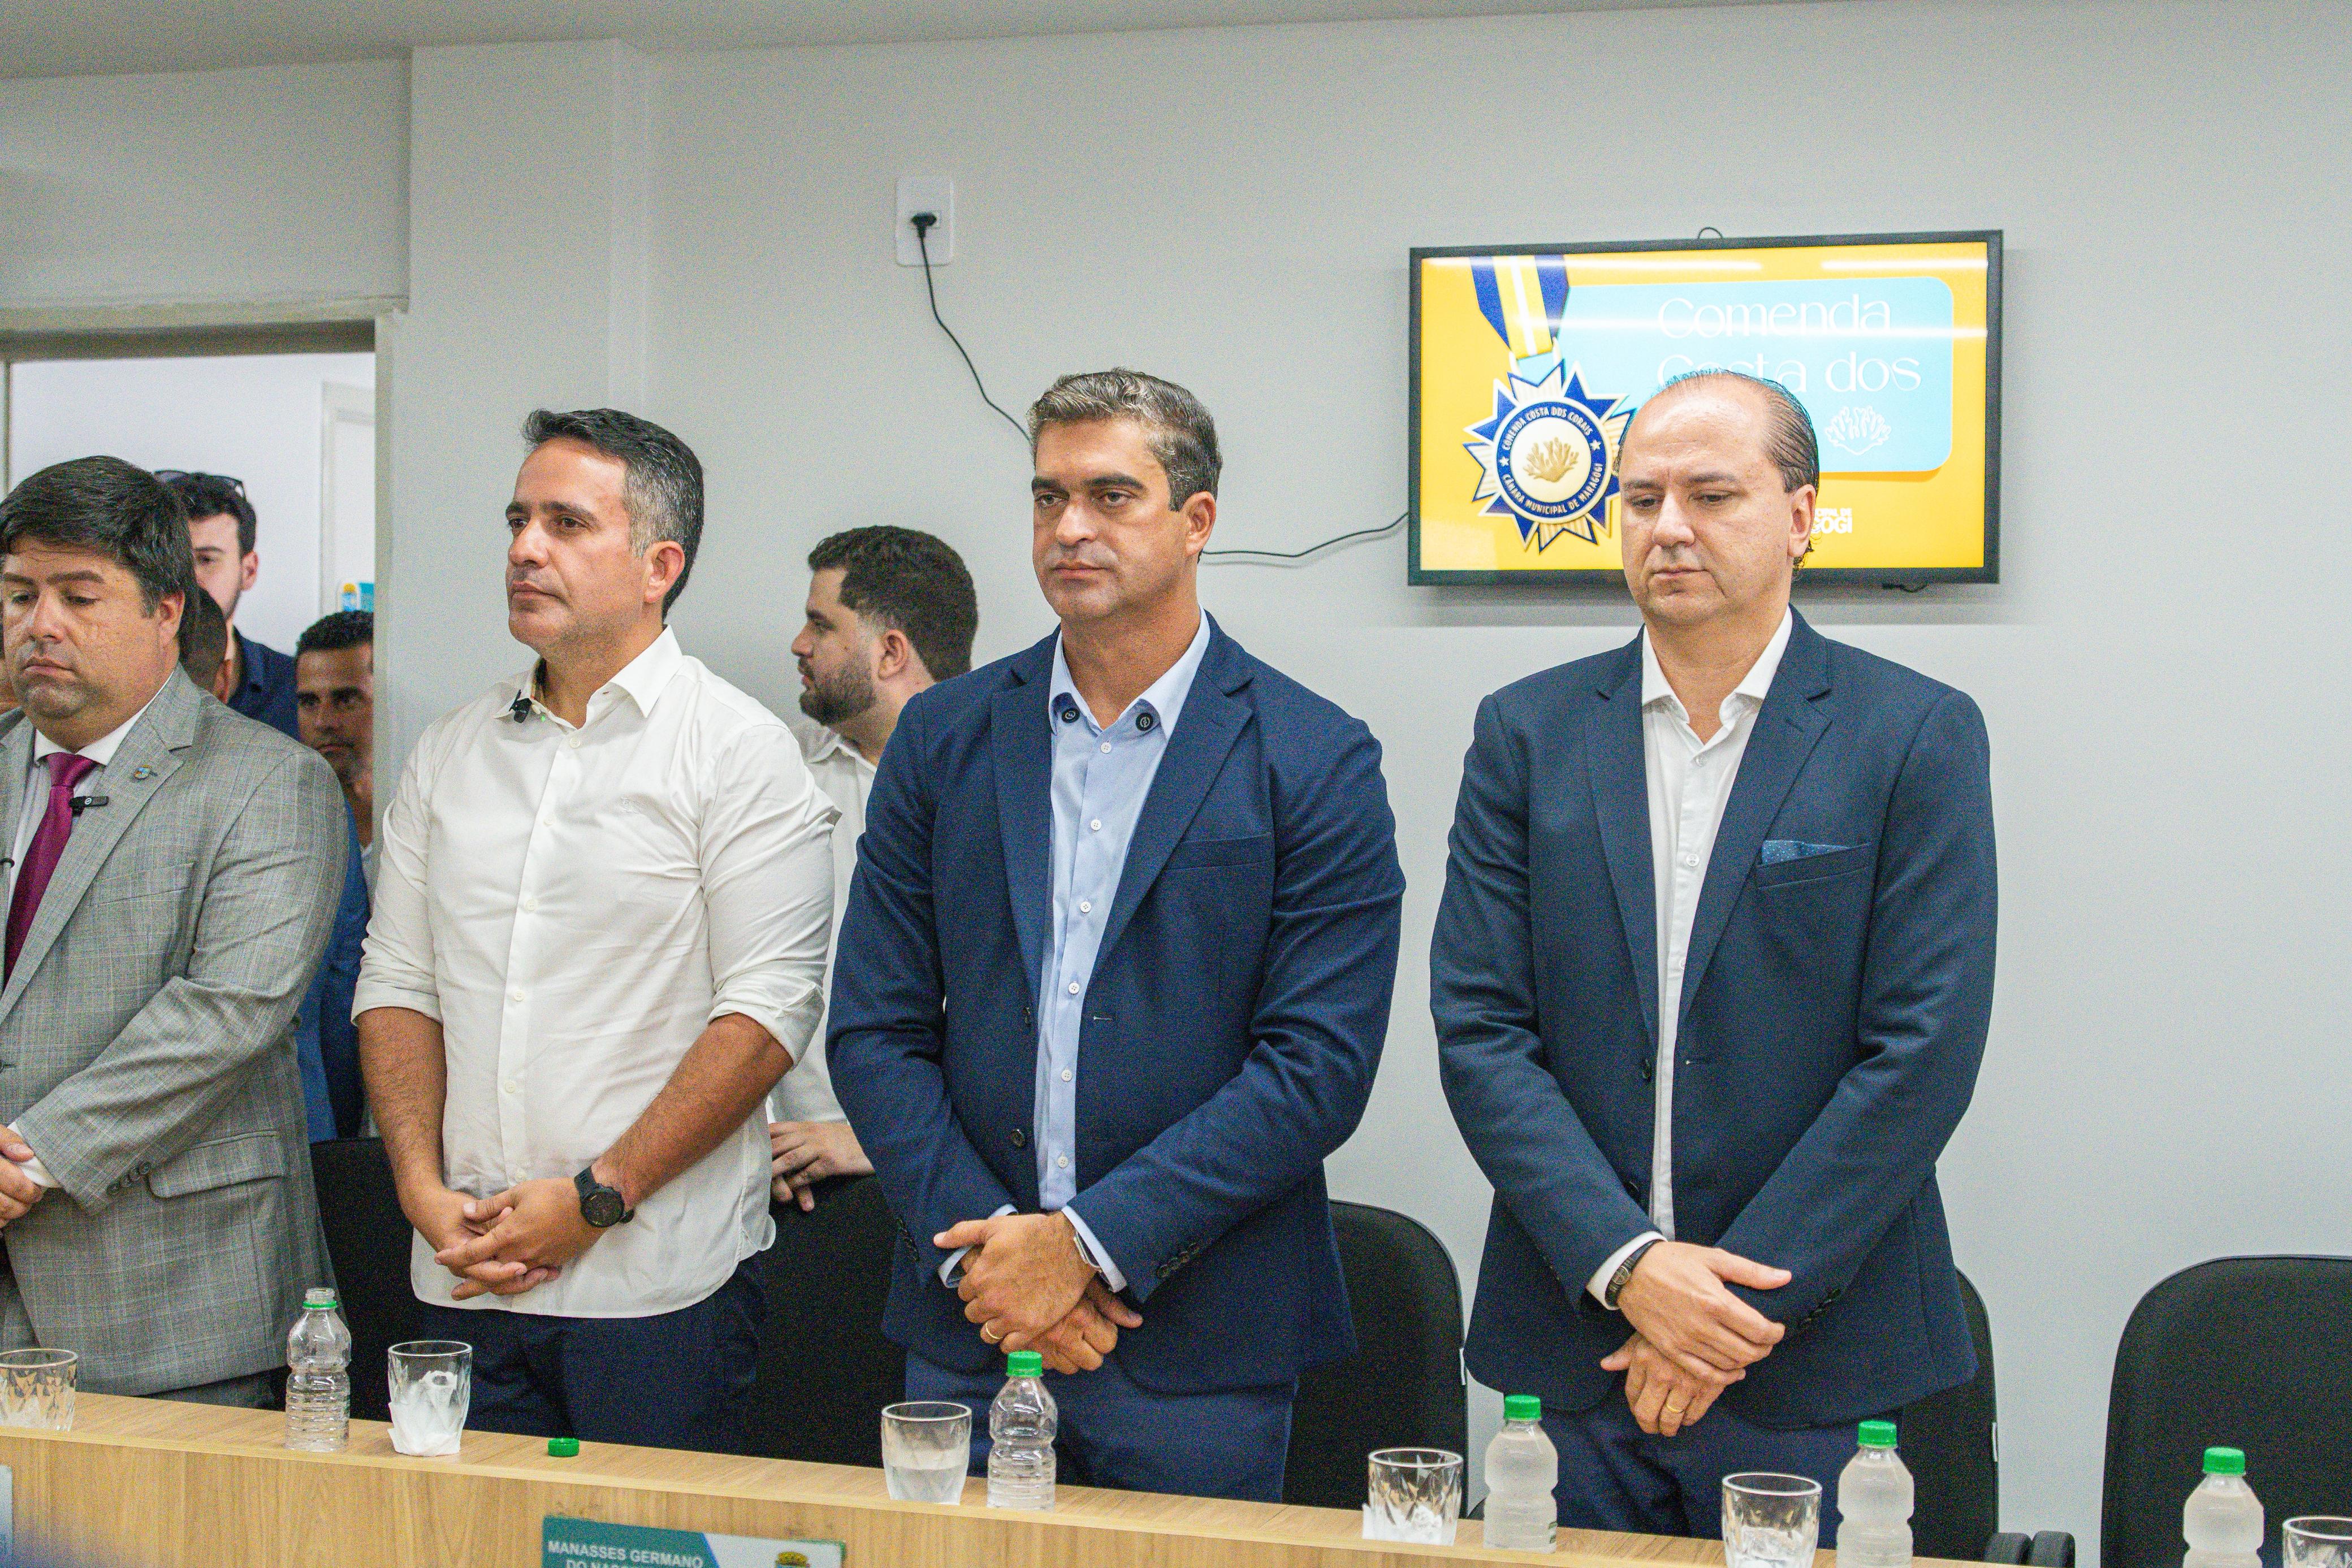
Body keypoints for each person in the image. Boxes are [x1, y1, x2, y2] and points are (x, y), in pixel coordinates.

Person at [1430, 369, 1997, 1538]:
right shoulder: (1526, 732)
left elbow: (1921, 1051)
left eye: (1711, 494)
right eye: (1641, 499)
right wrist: (1631, 1266)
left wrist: (1717, 1310)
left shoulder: (1913, 732)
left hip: (1809, 1357)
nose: (1669, 526)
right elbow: (1481, 1029)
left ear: (1800, 514)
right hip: (1577, 1343)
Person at [829, 370, 1404, 1502]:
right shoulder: (942, 737)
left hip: (1200, 1340)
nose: (1069, 528)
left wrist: (1084, 1244)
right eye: (1047, 497)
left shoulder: (1312, 754)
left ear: (1197, 520)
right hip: (974, 1316)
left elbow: (1316, 1067)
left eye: (1110, 495)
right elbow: (873, 1029)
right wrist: (997, 1252)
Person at [355, 408, 836, 1452]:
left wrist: (595, 1199)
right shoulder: (450, 753)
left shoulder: (738, 752)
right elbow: (397, 984)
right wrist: (420, 1189)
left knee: (637, 1533)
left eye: (567, 523)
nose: (525, 549)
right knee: (457, 1535)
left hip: (656, 1285)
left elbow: (766, 1016)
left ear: (659, 565)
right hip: (464, 1270)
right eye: (518, 520)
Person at [0, 456, 345, 1405]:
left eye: (78, 597)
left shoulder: (269, 781)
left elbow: (227, 1012)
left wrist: (28, 1155)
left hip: (176, 1304)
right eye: (20, 593)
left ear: (166, 610)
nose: (41, 624)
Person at [769, 526, 977, 1211]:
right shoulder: (772, 774)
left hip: (950, 1176)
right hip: (784, 1178)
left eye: (820, 624)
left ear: (890, 651)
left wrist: (870, 1139)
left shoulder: (1008, 787)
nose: (798, 643)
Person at [160, 471, 298, 735]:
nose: (187, 577)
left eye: (206, 559)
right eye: (175, 559)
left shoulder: (295, 688)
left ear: (248, 571)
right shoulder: (119, 679)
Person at [295, 610, 376, 883]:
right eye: (309, 702)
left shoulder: (430, 813)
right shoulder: (282, 824)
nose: (323, 722)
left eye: (346, 700)